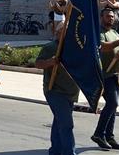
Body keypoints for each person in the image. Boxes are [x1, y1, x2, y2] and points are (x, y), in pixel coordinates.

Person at [36, 20, 80, 155]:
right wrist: (51, 61)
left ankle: (55, 150)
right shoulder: (50, 47)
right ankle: (69, 152)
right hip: (55, 90)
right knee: (67, 124)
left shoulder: (74, 49)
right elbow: (38, 64)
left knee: (59, 121)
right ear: (58, 33)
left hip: (70, 92)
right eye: (65, 31)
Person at [92, 8, 119, 150]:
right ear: (101, 17)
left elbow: (117, 50)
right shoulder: (98, 32)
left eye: (112, 16)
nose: (110, 18)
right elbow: (103, 47)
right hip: (103, 74)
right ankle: (98, 134)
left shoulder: (114, 32)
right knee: (112, 103)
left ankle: (109, 137)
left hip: (115, 74)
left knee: (113, 107)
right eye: (108, 16)